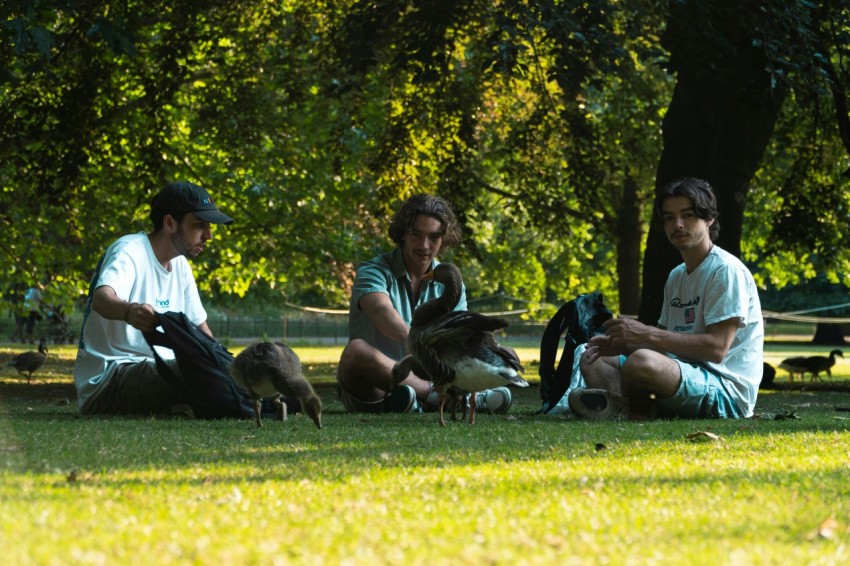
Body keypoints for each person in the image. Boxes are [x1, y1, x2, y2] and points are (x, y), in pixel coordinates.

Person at [570, 177, 763, 420]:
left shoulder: (725, 270)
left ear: (709, 218)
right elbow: (661, 346)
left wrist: (647, 334)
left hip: (726, 391)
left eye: (688, 215)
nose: (678, 224)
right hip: (679, 373)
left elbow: (717, 348)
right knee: (591, 358)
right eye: (669, 218)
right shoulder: (677, 275)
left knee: (641, 362)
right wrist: (621, 345)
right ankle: (625, 410)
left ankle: (630, 410)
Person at [336, 193, 513, 414]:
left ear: (443, 239)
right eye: (416, 234)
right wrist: (412, 340)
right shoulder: (373, 271)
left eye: (434, 237)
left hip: (435, 376)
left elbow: (461, 337)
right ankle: (433, 396)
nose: (424, 245)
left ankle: (423, 399)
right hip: (377, 386)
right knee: (356, 352)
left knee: (505, 354)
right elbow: (380, 309)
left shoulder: (450, 280)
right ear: (402, 234)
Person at [74, 181, 234, 416]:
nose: (208, 235)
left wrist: (221, 360)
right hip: (110, 380)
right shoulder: (129, 251)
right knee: (200, 372)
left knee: (239, 366)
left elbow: (202, 331)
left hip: (165, 370)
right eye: (199, 225)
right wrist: (130, 311)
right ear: (170, 223)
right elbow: (102, 299)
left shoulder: (180, 265)